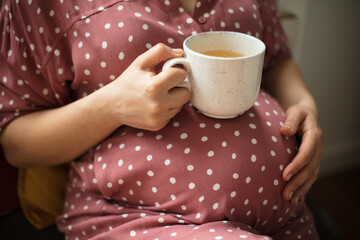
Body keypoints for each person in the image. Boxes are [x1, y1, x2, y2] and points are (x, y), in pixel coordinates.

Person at [0, 0, 323, 239]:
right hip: (146, 218)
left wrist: (304, 105)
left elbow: (276, 60)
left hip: (287, 210)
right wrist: (112, 106)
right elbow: (17, 142)